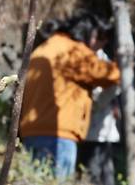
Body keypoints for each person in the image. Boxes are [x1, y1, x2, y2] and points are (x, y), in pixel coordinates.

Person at [20, 11, 121, 179]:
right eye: (96, 37)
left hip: (31, 131)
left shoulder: (44, 48)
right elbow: (107, 74)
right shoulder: (73, 52)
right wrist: (123, 65)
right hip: (58, 135)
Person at [79, 27, 120, 185]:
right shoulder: (84, 58)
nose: (93, 41)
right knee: (95, 172)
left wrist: (94, 105)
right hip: (87, 129)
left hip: (99, 130)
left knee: (99, 173)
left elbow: (114, 87)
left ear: (104, 41)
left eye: (97, 38)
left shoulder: (104, 63)